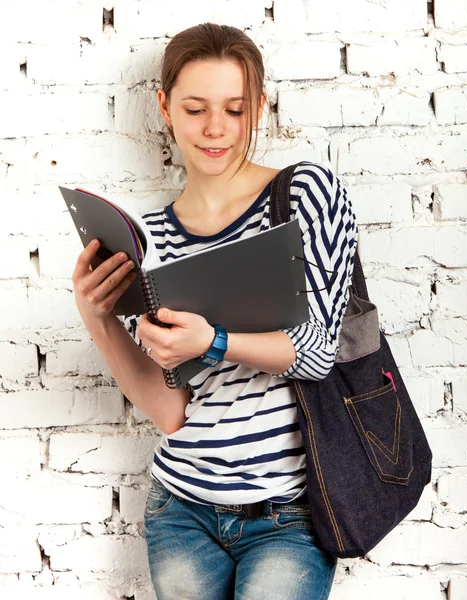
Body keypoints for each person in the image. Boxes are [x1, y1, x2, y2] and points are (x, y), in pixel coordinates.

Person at [72, 22, 357, 600]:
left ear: (259, 106)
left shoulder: (304, 194)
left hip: (289, 516)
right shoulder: (150, 237)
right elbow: (171, 411)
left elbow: (320, 351)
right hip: (180, 512)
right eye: (196, 107)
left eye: (235, 108)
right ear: (164, 106)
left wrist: (214, 341)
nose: (216, 129)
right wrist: (98, 318)